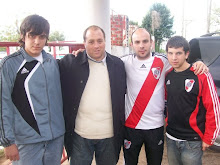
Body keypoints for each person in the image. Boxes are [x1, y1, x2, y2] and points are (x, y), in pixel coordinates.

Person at [121, 28, 208, 165]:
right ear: (132, 44)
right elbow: (103, 60)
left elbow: (183, 60)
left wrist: (199, 61)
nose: (142, 45)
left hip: (156, 127)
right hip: (131, 126)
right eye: (137, 42)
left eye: (145, 41)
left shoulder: (163, 60)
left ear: (152, 42)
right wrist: (79, 54)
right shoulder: (124, 62)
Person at [0, 14, 65, 165]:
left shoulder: (51, 62)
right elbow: (3, 104)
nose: (37, 41)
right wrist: (7, 141)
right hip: (27, 141)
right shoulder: (9, 65)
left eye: (42, 36)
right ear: (23, 36)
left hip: (55, 138)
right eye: (32, 35)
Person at [58, 25, 126, 165]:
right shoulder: (72, 63)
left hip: (109, 136)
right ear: (84, 43)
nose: (96, 46)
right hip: (80, 136)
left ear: (105, 41)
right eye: (91, 41)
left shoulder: (118, 64)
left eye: (100, 41)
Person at [165, 36, 220, 165]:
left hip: (192, 140)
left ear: (187, 54)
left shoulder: (200, 75)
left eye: (178, 53)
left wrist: (209, 137)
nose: (174, 58)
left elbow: (213, 107)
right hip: (171, 137)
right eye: (170, 53)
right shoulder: (168, 75)